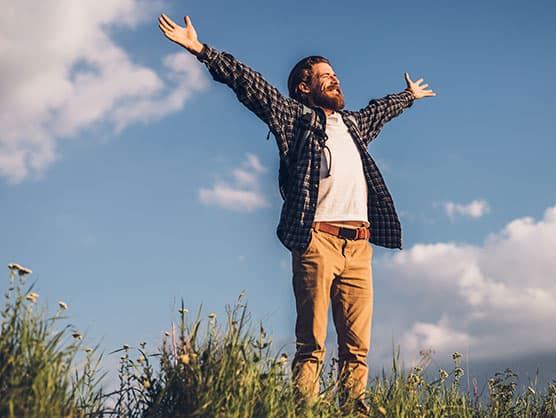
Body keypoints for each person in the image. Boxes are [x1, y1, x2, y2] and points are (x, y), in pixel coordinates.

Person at [158, 13, 435, 413]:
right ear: (304, 87)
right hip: (317, 241)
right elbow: (248, 83)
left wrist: (407, 97)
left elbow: (380, 110)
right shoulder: (295, 120)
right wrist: (202, 50)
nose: (334, 79)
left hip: (359, 246)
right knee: (313, 342)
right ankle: (302, 409)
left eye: (335, 74)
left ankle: (352, 407)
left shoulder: (353, 126)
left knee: (357, 345)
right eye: (325, 76)